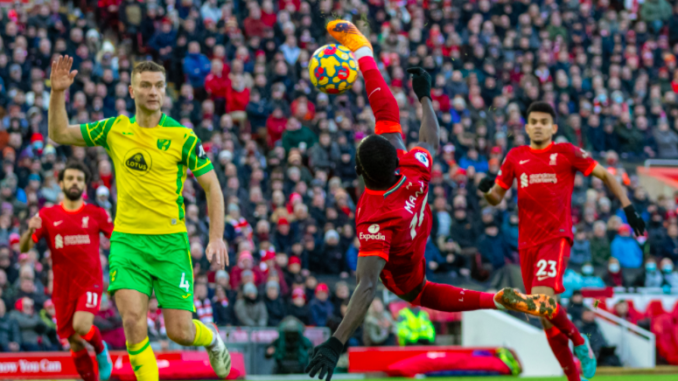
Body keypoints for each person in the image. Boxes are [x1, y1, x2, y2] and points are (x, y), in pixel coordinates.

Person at [305, 21, 555, 381]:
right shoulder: (414, 167)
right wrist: (424, 96)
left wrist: (336, 342)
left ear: (359, 170)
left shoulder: (374, 217)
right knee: (387, 117)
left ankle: (495, 298)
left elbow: (368, 285)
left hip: (404, 269)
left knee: (421, 293)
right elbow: (429, 136)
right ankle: (362, 52)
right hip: (418, 222)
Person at [47, 57, 231, 381]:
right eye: (145, 85)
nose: (153, 91)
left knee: (180, 332)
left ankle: (213, 338)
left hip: (171, 246)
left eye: (158, 86)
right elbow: (59, 133)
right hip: (128, 243)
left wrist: (216, 237)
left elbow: (212, 187)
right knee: (133, 322)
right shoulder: (115, 129)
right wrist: (58, 93)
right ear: (132, 90)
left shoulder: (183, 137)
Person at [479, 101, 647, 381]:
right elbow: (497, 196)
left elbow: (605, 174)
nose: (538, 126)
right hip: (526, 245)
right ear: (526, 126)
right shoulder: (515, 156)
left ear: (553, 127)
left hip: (556, 238)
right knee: (544, 316)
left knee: (542, 300)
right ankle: (573, 377)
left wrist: (628, 207)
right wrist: (486, 191)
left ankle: (581, 342)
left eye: (544, 121)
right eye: (534, 121)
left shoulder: (566, 153)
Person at [18, 161, 113, 380]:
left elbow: (117, 239)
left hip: (90, 281)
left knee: (82, 325)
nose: (74, 182)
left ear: (85, 185)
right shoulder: (48, 215)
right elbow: (25, 247)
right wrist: (29, 231)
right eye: (70, 178)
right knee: (73, 341)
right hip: (62, 287)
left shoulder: (96, 214)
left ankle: (101, 351)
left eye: (79, 179)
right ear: (60, 182)